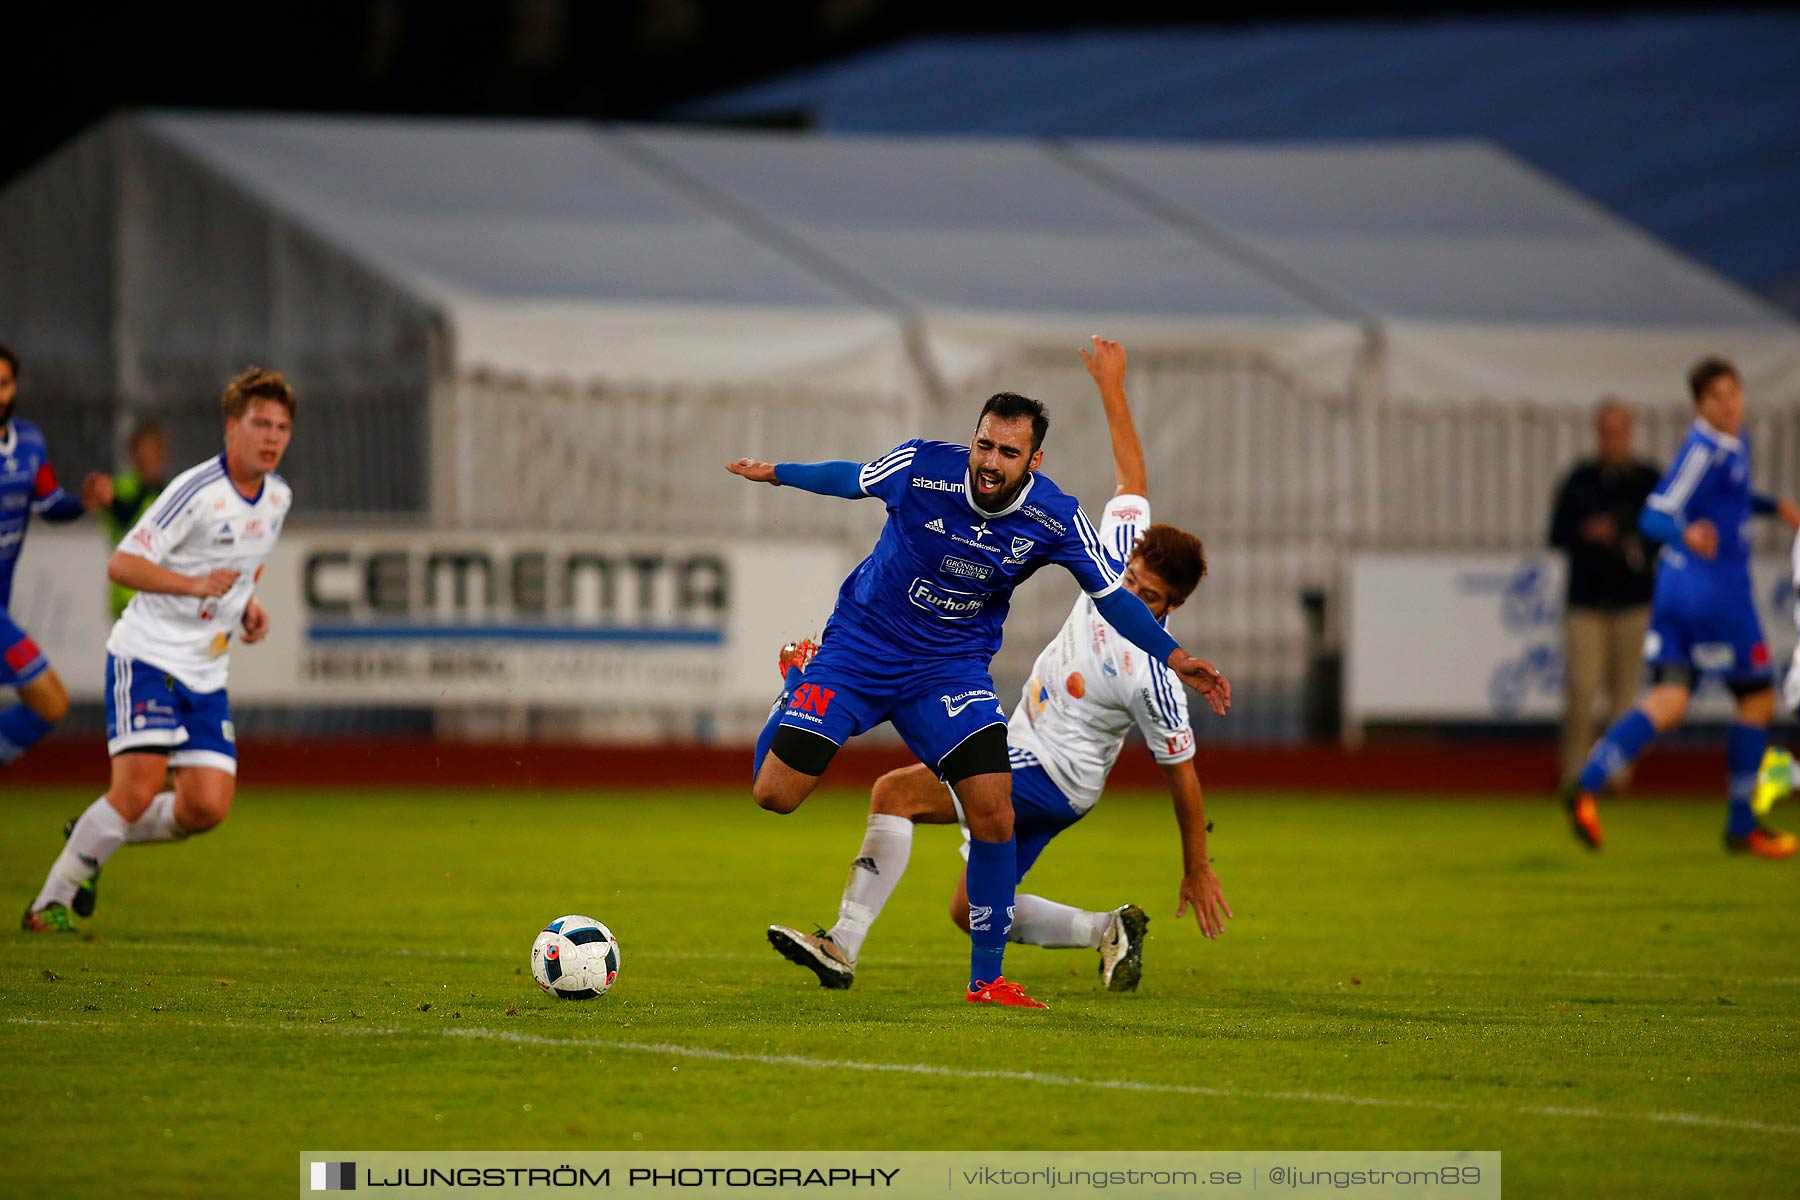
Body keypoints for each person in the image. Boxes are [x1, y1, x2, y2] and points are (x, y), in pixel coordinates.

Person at [726, 376, 1231, 1009]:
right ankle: (795, 692)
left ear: (1033, 460)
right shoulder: (920, 467)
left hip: (948, 670)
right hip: (860, 651)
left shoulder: (1055, 517)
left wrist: (1177, 657)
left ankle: (986, 981)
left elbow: (1114, 604)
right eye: (984, 445)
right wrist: (777, 473)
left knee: (994, 808)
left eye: (1008, 452)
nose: (991, 462)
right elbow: (850, 476)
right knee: (775, 796)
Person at [23, 367, 296, 932]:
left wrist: (248, 605)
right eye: (260, 423)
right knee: (138, 787)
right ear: (231, 428)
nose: (271, 436)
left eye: (282, 427)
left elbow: (245, 569)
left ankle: (93, 834)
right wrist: (194, 586)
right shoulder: (194, 491)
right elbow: (122, 562)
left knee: (206, 807)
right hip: (147, 654)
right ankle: (50, 902)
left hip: (206, 669)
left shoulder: (278, 499)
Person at [1564, 357, 1800, 858]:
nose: (1729, 403)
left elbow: (1728, 502)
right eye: (1717, 396)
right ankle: (1742, 825)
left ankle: (1587, 783)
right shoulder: (1705, 446)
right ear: (1700, 406)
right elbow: (1654, 515)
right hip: (1714, 594)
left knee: (1668, 701)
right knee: (1756, 702)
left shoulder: (1731, 446)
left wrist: (1772, 507)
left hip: (1676, 593)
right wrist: (1686, 532)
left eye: (1734, 393)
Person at [0, 342, 111, 767]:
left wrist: (83, 501)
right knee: (51, 702)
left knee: (48, 706)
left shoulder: (29, 441)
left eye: (5, 384)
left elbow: (48, 505)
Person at [1547, 400, 1662, 786]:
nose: (1611, 438)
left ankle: (1616, 775)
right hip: (1587, 601)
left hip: (1633, 600)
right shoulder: (1580, 478)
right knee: (1582, 687)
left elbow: (1663, 531)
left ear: (1629, 432)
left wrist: (1624, 530)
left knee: (1625, 696)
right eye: (1605, 430)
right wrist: (1586, 531)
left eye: (1618, 430)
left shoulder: (1647, 479)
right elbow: (1556, 533)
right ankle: (1575, 775)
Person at [101, 418, 170, 618]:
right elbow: (124, 518)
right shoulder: (122, 487)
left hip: (160, 597)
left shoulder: (168, 493)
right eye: (144, 457)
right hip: (127, 595)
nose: (149, 463)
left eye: (154, 456)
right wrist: (148, 487)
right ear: (134, 456)